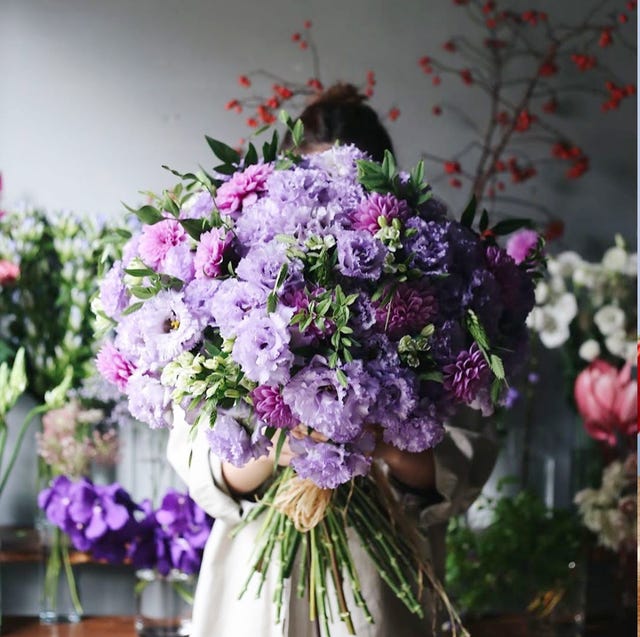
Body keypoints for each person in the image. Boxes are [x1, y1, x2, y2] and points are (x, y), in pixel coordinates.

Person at [167, 83, 500, 637]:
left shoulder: (434, 306)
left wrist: (371, 422)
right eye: (313, 188)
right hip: (256, 586)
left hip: (377, 579)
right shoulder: (236, 288)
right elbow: (207, 466)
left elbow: (456, 470)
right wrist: (292, 428)